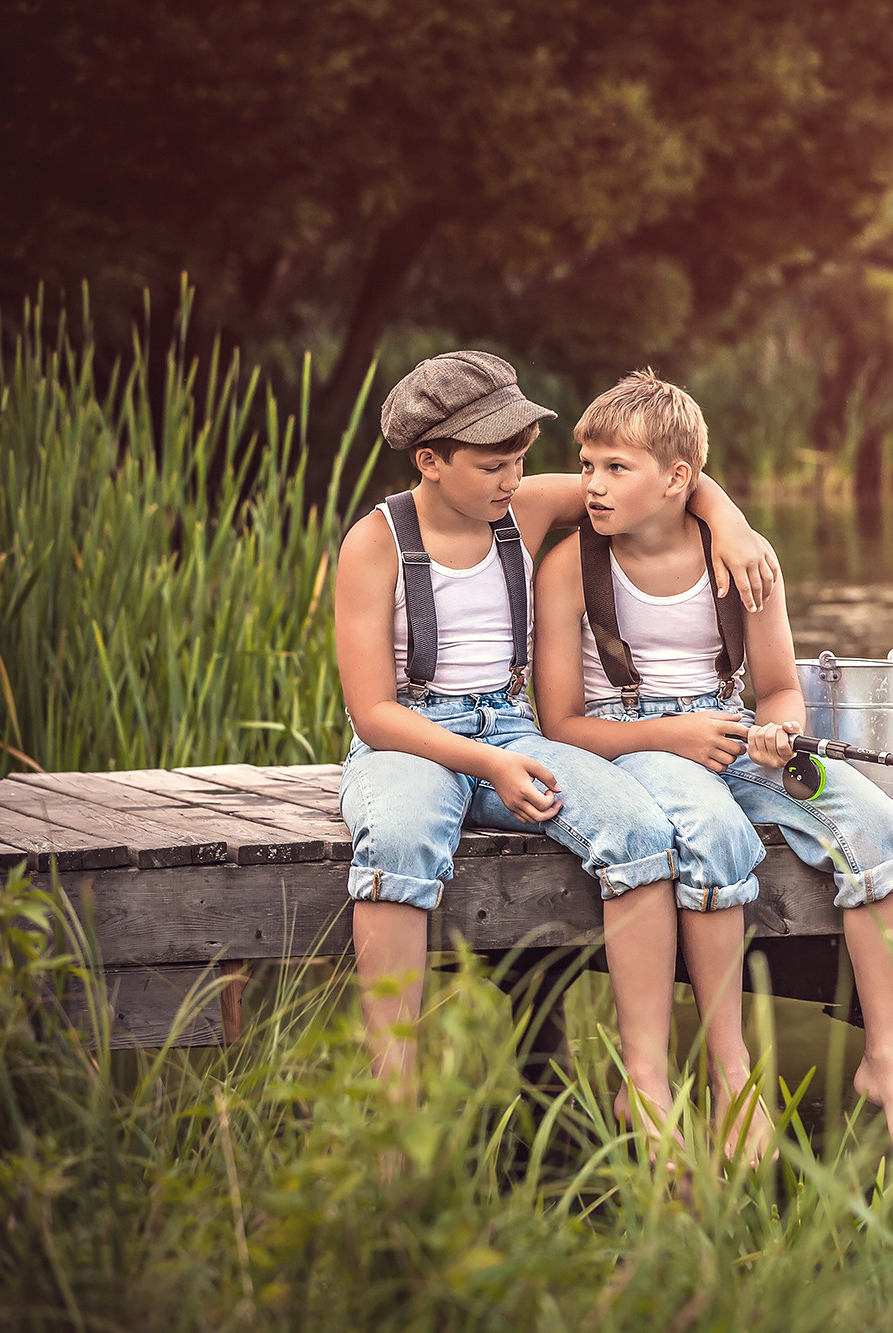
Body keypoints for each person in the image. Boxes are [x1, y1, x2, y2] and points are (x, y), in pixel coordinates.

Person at [334, 350, 778, 1152]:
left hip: (511, 725)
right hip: (412, 737)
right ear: (429, 462)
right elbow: (371, 713)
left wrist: (735, 524)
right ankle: (393, 1101)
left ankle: (641, 1080)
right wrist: (489, 766)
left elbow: (677, 480)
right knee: (397, 839)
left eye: (522, 462)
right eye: (493, 465)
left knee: (636, 825)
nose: (514, 479)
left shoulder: (524, 509)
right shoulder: (375, 543)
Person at [533, 369, 893, 1153]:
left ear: (678, 480)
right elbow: (561, 725)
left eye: (615, 468)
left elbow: (783, 689)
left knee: (876, 819)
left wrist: (778, 731)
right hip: (636, 748)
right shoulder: (568, 570)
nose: (591, 484)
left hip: (731, 736)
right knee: (718, 835)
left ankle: (889, 1064)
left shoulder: (743, 562)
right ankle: (733, 1077)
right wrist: (672, 735)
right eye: (587, 466)